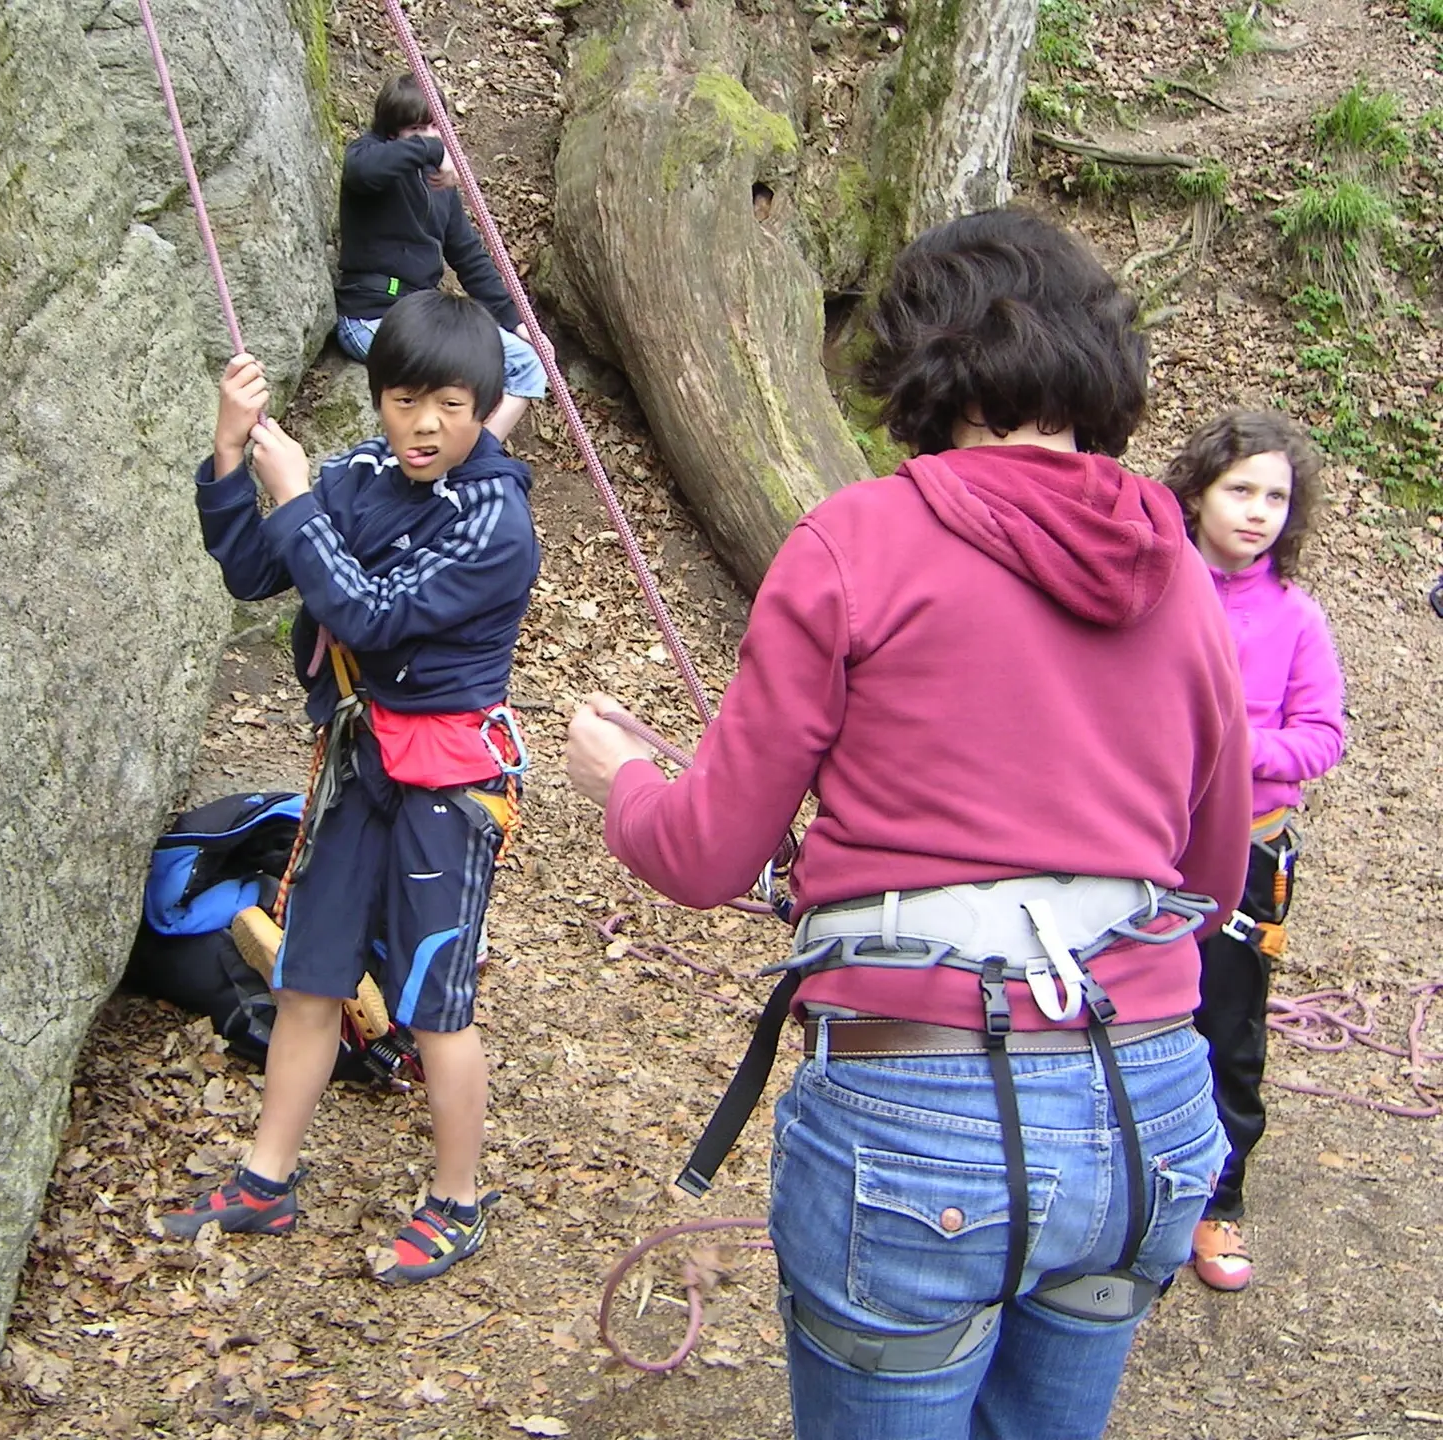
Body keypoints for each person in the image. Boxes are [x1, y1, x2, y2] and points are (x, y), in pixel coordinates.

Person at [563, 209, 1251, 1439]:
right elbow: (1209, 870)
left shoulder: (858, 539)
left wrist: (619, 774)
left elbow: (706, 849)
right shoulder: (1175, 562)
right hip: (1147, 1095)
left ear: (920, 362)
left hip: (921, 1108)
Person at [164, 290, 540, 1287]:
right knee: (310, 976)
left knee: (434, 1002)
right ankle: (266, 1176)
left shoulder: (496, 522)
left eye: (453, 406)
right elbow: (255, 570)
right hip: (358, 763)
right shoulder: (362, 478)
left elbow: (369, 616)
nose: (425, 426)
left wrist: (294, 502)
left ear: (487, 408)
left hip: (447, 787)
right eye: (406, 400)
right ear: (379, 400)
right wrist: (233, 454)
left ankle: (456, 1201)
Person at [1162, 410, 1345, 1292]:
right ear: (1195, 495)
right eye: (1240, 489)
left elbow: (1320, 737)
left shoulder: (1297, 617)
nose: (1259, 510)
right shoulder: (1154, 591)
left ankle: (1216, 1203)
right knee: (1124, 1013)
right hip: (1146, 842)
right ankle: (1123, 1196)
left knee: (1225, 1029)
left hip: (1249, 853)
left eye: (1277, 495)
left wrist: (1236, 748)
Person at [334, 73, 546, 442]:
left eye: (436, 126)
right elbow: (362, 172)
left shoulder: (439, 188)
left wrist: (517, 322)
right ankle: (451, 459)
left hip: (422, 318)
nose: (429, 136)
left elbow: (469, 257)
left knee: (529, 364)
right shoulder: (369, 156)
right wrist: (433, 150)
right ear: (391, 131)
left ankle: (474, 460)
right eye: (416, 127)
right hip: (370, 316)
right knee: (453, 378)